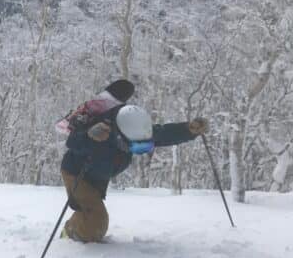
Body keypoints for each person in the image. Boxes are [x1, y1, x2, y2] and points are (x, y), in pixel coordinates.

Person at [60, 82, 208, 243]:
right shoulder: (101, 130)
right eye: (135, 147)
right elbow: (73, 142)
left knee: (91, 212)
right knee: (97, 223)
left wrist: (188, 130)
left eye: (144, 147)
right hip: (77, 174)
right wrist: (89, 136)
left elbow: (163, 134)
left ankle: (81, 223)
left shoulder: (135, 130)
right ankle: (69, 232)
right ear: (119, 136)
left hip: (99, 175)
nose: (138, 150)